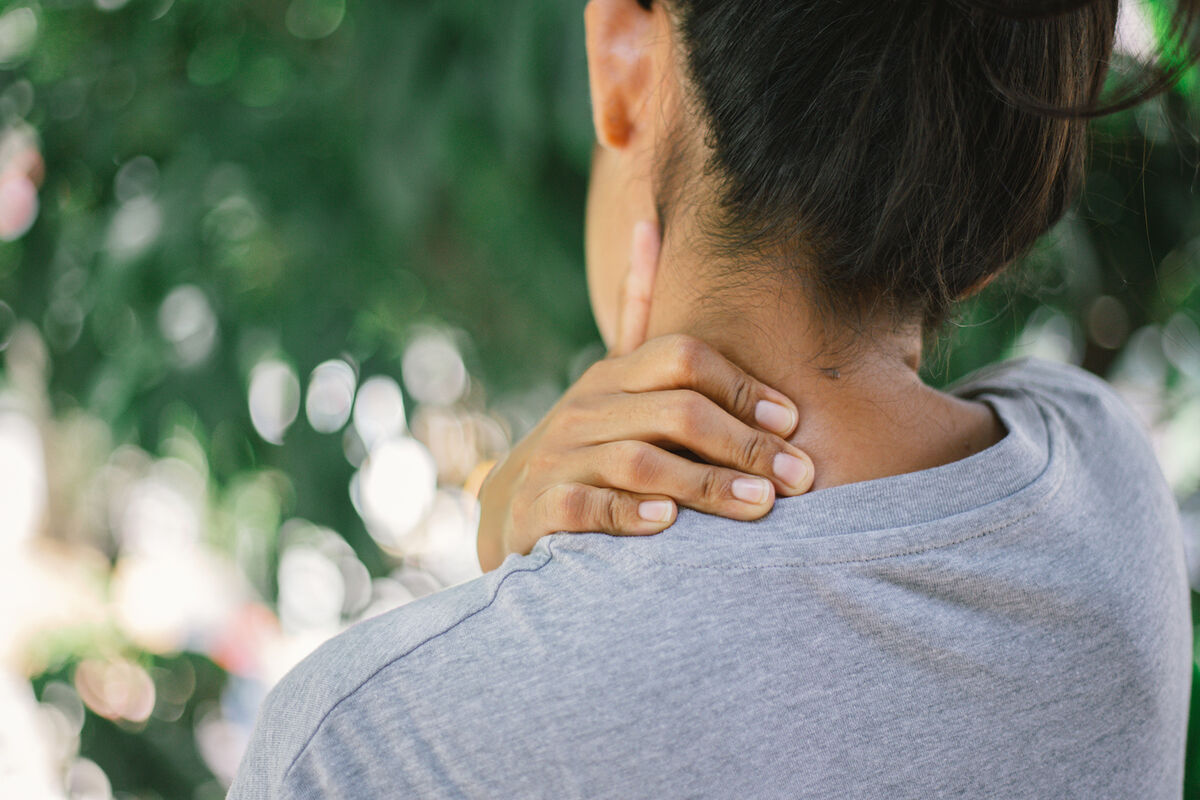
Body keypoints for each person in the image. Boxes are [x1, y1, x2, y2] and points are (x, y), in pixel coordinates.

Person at [229, 0, 1197, 796]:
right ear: (1011, 191)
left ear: (623, 54)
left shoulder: (364, 746)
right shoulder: (1107, 491)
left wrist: (521, 554)